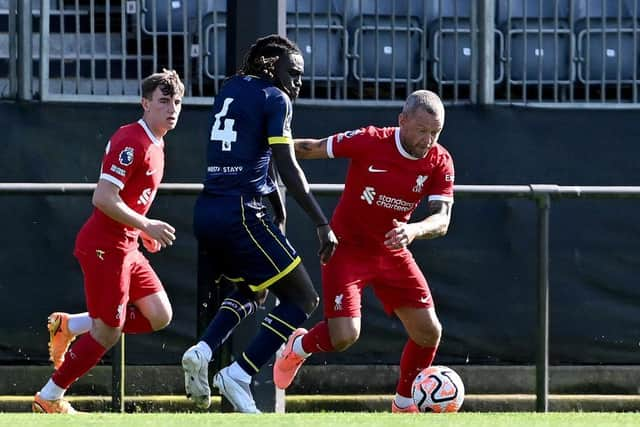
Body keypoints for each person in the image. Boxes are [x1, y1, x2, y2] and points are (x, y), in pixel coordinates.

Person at [181, 34, 338, 413]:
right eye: (293, 73)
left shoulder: (231, 88)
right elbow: (287, 166)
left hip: (208, 212)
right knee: (303, 298)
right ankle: (240, 373)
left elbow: (251, 153)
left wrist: (277, 212)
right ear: (271, 66)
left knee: (255, 291)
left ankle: (202, 351)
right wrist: (321, 222)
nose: (298, 82)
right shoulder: (275, 98)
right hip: (241, 212)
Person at [273, 90, 455, 413]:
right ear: (402, 121)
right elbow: (311, 148)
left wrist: (413, 230)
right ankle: (297, 347)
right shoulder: (370, 140)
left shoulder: (440, 160)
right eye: (422, 130)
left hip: (392, 250)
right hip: (348, 249)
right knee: (345, 336)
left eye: (436, 132)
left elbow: (442, 220)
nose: (429, 139)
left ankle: (403, 404)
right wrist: (266, 146)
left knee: (429, 332)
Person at [32, 69, 184, 414]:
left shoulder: (157, 142)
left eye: (177, 102)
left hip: (127, 246)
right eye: (164, 101)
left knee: (159, 315)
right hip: (105, 246)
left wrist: (141, 231)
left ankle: (69, 325)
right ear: (145, 103)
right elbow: (103, 197)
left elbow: (127, 200)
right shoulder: (132, 140)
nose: (172, 109)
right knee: (107, 333)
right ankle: (49, 397)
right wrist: (146, 223)